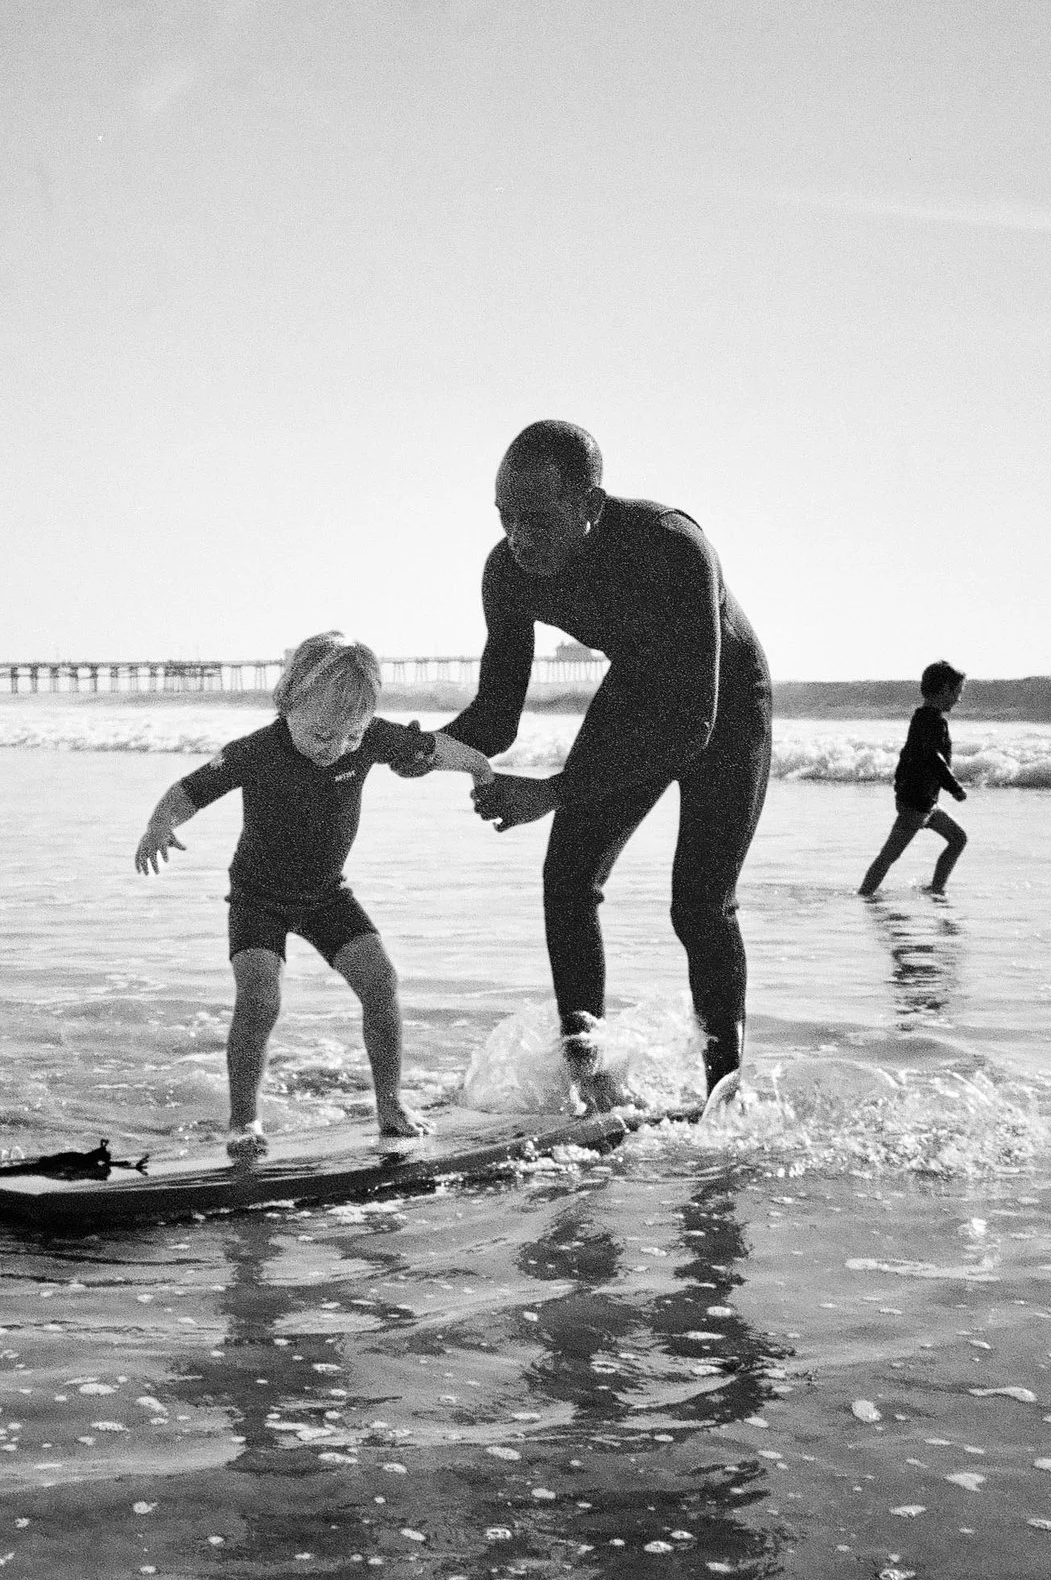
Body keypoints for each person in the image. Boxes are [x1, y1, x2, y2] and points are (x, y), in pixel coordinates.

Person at [404, 420, 772, 1110]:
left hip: (724, 704)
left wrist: (551, 791)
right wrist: (420, 747)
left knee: (699, 904)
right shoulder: (507, 573)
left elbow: (693, 723)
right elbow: (497, 716)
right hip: (638, 689)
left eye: (538, 519)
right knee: (567, 876)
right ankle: (589, 1081)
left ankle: (725, 1095)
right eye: (506, 518)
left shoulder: (672, 544)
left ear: (590, 507)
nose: (518, 538)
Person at [135, 631, 492, 1152]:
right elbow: (188, 791)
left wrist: (479, 769)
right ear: (289, 704)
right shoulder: (256, 751)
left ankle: (390, 1105)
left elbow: (437, 748)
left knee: (381, 982)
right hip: (259, 898)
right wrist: (159, 824)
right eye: (324, 734)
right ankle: (243, 1122)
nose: (337, 748)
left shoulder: (369, 739)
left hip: (326, 895)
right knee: (259, 998)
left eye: (351, 736)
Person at [858, 661, 969, 898]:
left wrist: (901, 790)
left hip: (924, 802)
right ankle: (864, 895)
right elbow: (933, 758)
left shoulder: (923, 718)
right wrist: (954, 787)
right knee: (889, 855)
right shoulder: (932, 722)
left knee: (958, 838)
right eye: (957, 692)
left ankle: (936, 888)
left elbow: (906, 756)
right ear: (944, 690)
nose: (959, 699)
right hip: (917, 805)